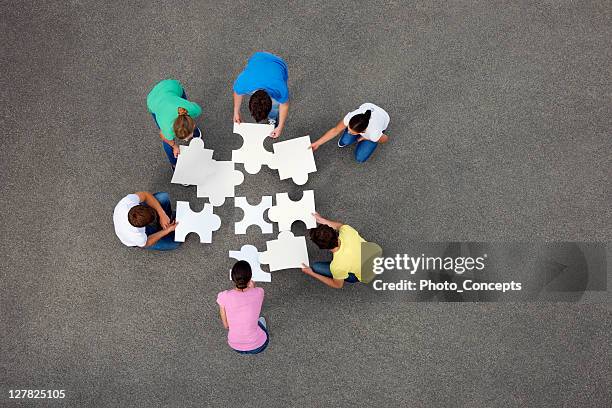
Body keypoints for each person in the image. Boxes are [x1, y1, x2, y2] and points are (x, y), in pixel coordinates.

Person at [301, 213, 376, 289]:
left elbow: (337, 285)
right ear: (334, 233)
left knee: (316, 267)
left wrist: (311, 273)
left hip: (365, 275)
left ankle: (346, 273)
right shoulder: (347, 231)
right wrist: (324, 220)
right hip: (373, 256)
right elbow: (339, 226)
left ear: (321, 247)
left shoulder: (337, 266)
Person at [147, 79, 202, 168]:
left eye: (186, 138)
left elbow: (195, 108)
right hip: (154, 101)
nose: (186, 141)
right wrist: (174, 146)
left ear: (194, 124)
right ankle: (174, 164)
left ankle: (194, 133)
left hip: (171, 86)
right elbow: (163, 135)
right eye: (185, 139)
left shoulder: (192, 109)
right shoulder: (167, 128)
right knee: (168, 143)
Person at [232, 51, 289, 139]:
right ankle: (272, 118)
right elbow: (237, 92)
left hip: (277, 64)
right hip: (258, 57)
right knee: (277, 102)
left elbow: (284, 105)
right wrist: (236, 111)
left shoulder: (280, 88)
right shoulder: (242, 84)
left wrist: (280, 127)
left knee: (276, 105)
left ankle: (272, 118)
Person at [217, 261, 269, 354]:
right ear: (250, 278)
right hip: (258, 344)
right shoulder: (259, 292)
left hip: (235, 345)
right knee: (259, 321)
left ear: (233, 278)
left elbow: (226, 325)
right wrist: (253, 287)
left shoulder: (223, 296)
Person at [310, 102, 390, 163]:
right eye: (348, 128)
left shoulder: (374, 134)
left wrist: (366, 137)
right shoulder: (351, 117)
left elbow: (385, 139)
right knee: (345, 140)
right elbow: (335, 130)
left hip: (383, 117)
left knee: (360, 158)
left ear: (363, 131)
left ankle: (363, 139)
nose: (348, 131)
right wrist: (317, 143)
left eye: (352, 132)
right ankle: (353, 136)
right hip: (369, 107)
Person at [113, 191, 180, 251]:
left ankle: (166, 219)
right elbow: (148, 242)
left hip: (138, 221)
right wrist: (167, 230)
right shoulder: (137, 236)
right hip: (142, 239)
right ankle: (161, 228)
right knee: (175, 243)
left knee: (163, 196)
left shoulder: (127, 202)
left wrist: (162, 214)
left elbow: (145, 195)